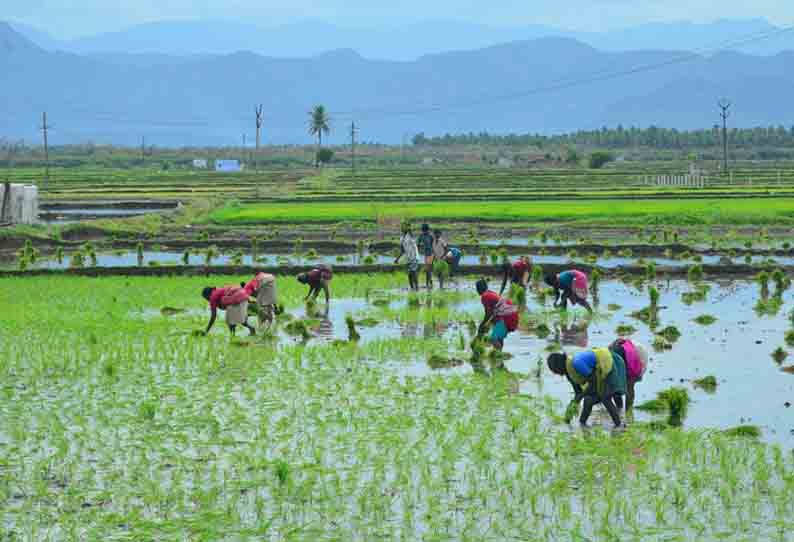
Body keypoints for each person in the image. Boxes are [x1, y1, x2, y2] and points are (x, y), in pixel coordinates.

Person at [546, 347, 627, 428]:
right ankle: (582, 424)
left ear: (558, 367)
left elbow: (594, 381)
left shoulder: (576, 363)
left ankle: (619, 425)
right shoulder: (569, 372)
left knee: (605, 398)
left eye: (555, 370)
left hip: (607, 363)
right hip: (597, 374)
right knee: (588, 400)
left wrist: (581, 396)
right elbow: (578, 393)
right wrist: (569, 415)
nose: (556, 373)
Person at [476, 278, 519, 352]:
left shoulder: (485, 296)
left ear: (478, 289)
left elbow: (488, 314)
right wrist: (488, 324)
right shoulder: (491, 293)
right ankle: (499, 354)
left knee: (494, 339)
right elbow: (494, 314)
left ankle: (499, 356)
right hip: (513, 314)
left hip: (507, 316)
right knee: (498, 337)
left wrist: (483, 325)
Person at [609, 338, 649, 412]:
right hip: (628, 356)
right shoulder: (612, 351)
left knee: (630, 385)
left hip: (638, 360)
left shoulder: (634, 355)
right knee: (616, 386)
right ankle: (620, 409)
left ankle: (627, 410)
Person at [395, 224, 420, 291]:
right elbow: (402, 250)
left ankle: (417, 287)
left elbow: (414, 243)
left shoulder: (410, 236)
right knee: (409, 273)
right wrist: (397, 259)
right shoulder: (402, 238)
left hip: (414, 256)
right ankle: (412, 287)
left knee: (413, 272)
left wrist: (409, 229)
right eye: (402, 229)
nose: (402, 230)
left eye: (404, 228)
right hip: (408, 258)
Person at [416, 223, 434, 289]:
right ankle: (430, 282)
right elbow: (417, 244)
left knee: (428, 269)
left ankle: (427, 283)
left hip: (431, 254)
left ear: (428, 230)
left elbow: (433, 244)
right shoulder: (421, 236)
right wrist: (417, 252)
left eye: (426, 230)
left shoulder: (430, 236)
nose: (425, 232)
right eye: (424, 230)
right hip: (426, 254)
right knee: (428, 269)